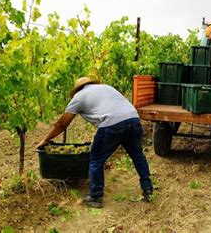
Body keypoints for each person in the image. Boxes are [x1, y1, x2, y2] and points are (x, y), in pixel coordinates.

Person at [36, 77, 154, 208]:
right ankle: (148, 189)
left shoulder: (79, 97)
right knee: (137, 155)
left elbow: (62, 124)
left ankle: (95, 196)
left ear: (77, 89)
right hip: (133, 119)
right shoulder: (107, 87)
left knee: (96, 160)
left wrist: (45, 139)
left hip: (111, 123)